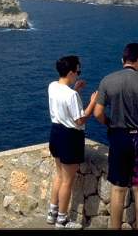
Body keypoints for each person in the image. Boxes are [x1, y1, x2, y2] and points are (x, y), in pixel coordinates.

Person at [93, 42, 138, 229]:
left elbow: (98, 113)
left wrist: (110, 123)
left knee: (118, 189)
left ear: (123, 59)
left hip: (118, 138)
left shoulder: (107, 80)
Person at [45, 55, 98, 229]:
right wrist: (92, 103)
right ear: (70, 72)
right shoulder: (72, 95)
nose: (78, 73)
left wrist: (76, 89)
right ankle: (62, 220)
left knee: (59, 176)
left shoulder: (52, 86)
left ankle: (52, 214)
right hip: (70, 137)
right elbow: (80, 120)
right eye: (78, 71)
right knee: (67, 181)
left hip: (56, 133)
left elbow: (63, 102)